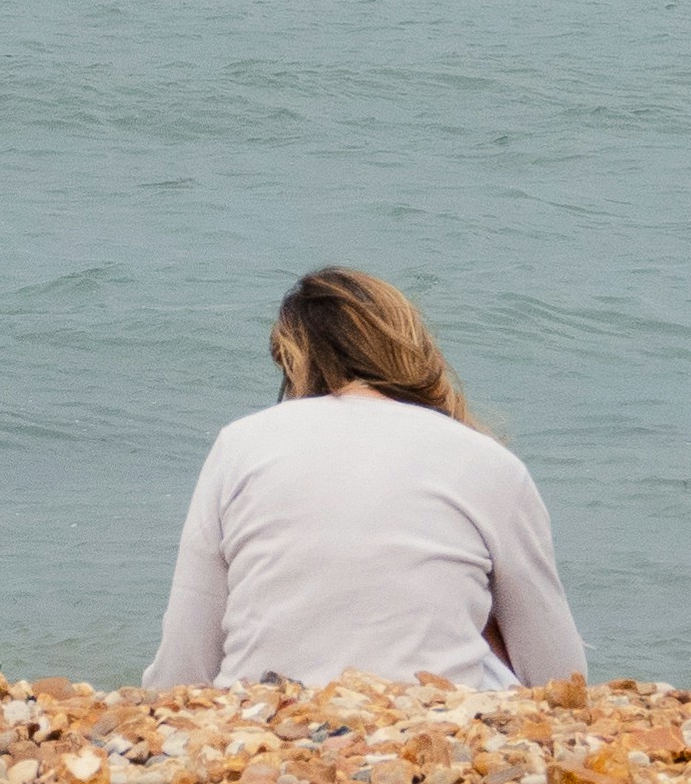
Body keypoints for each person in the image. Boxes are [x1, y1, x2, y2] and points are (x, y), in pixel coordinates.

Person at [145, 268, 587, 690]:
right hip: (435, 722)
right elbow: (559, 672)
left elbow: (186, 656)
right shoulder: (486, 460)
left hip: (264, 717)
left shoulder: (240, 444)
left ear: (292, 361)